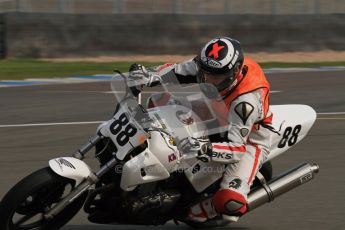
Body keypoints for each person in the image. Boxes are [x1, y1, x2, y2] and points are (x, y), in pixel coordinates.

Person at [129, 36, 274, 223]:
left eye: (217, 77)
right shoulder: (209, 64)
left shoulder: (246, 103)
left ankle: (209, 207)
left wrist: (204, 148)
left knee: (229, 203)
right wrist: (148, 76)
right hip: (215, 108)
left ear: (235, 71)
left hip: (250, 138)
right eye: (206, 74)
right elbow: (177, 71)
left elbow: (237, 150)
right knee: (156, 102)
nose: (210, 81)